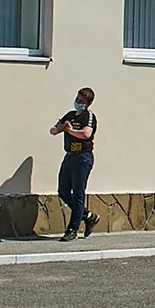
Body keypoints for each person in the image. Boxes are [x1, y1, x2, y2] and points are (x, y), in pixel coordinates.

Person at [50, 89, 98, 240]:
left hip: (83, 157)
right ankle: (88, 216)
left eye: (82, 101)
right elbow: (53, 130)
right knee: (63, 191)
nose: (78, 103)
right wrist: (60, 128)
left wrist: (70, 131)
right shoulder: (70, 115)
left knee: (78, 193)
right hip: (70, 156)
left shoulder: (88, 116)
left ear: (88, 103)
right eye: (77, 99)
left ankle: (72, 229)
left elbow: (86, 134)